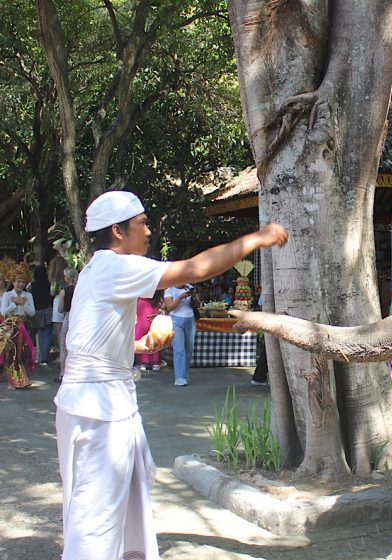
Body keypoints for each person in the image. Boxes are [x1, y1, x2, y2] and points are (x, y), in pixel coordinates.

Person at [55, 190, 288, 560]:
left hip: (94, 402)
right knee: (95, 514)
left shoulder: (96, 270)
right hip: (98, 408)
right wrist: (256, 239)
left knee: (108, 506)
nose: (148, 231)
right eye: (142, 223)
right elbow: (196, 268)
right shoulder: (115, 266)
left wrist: (135, 348)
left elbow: (82, 341)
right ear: (117, 231)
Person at [0, 262, 36, 389]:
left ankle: (21, 377)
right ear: (13, 282)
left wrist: (22, 304)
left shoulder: (28, 295)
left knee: (25, 352)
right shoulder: (7, 295)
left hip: (24, 325)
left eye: (23, 282)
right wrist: (15, 304)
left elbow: (32, 312)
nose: (20, 284)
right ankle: (12, 381)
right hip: (10, 326)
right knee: (11, 353)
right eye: (18, 281)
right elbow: (3, 312)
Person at [163, 284, 198, 386]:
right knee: (179, 349)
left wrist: (194, 297)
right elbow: (169, 307)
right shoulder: (169, 290)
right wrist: (180, 297)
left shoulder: (190, 287)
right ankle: (179, 377)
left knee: (189, 349)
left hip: (190, 320)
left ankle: (185, 375)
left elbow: (197, 305)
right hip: (175, 321)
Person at [55, 267, 78, 383]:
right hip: (79, 318)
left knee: (64, 345)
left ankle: (63, 373)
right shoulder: (81, 290)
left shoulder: (64, 291)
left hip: (68, 317)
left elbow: (60, 309)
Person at [29, 264, 54, 365]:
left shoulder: (31, 286)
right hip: (47, 311)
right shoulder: (49, 284)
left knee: (30, 336)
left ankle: (28, 356)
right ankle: (44, 358)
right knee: (46, 336)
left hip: (35, 312)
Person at [134, 290, 164, 372]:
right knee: (153, 333)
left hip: (143, 304)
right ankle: (155, 362)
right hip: (154, 305)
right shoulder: (157, 288)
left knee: (141, 333)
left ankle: (142, 362)